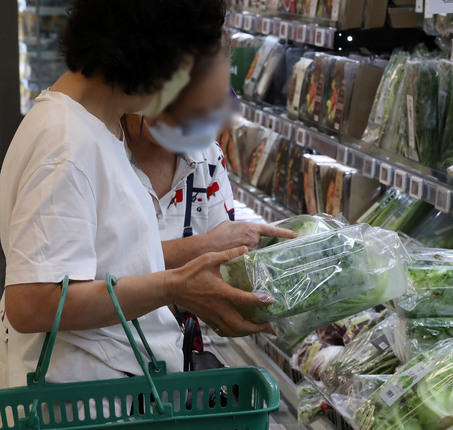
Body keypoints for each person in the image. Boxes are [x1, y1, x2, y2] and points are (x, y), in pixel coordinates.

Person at [0, 0, 283, 389]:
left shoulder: (96, 129)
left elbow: (104, 263)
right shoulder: (66, 143)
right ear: (152, 50)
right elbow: (32, 303)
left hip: (111, 392)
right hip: (80, 402)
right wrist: (174, 285)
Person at [121, 34, 295, 361]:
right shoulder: (102, 151)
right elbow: (91, 274)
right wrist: (204, 246)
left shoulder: (207, 158)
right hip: (97, 365)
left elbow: (221, 271)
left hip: (173, 357)